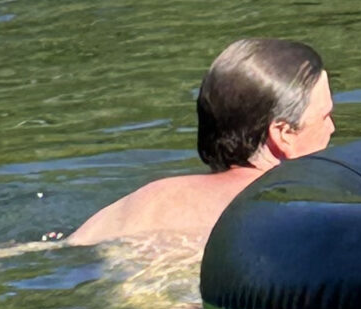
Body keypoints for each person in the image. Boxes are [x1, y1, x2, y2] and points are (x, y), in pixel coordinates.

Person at [68, 39, 335, 246]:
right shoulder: (287, 206)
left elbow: (66, 249)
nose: (332, 128)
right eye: (325, 116)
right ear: (284, 134)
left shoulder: (150, 198)